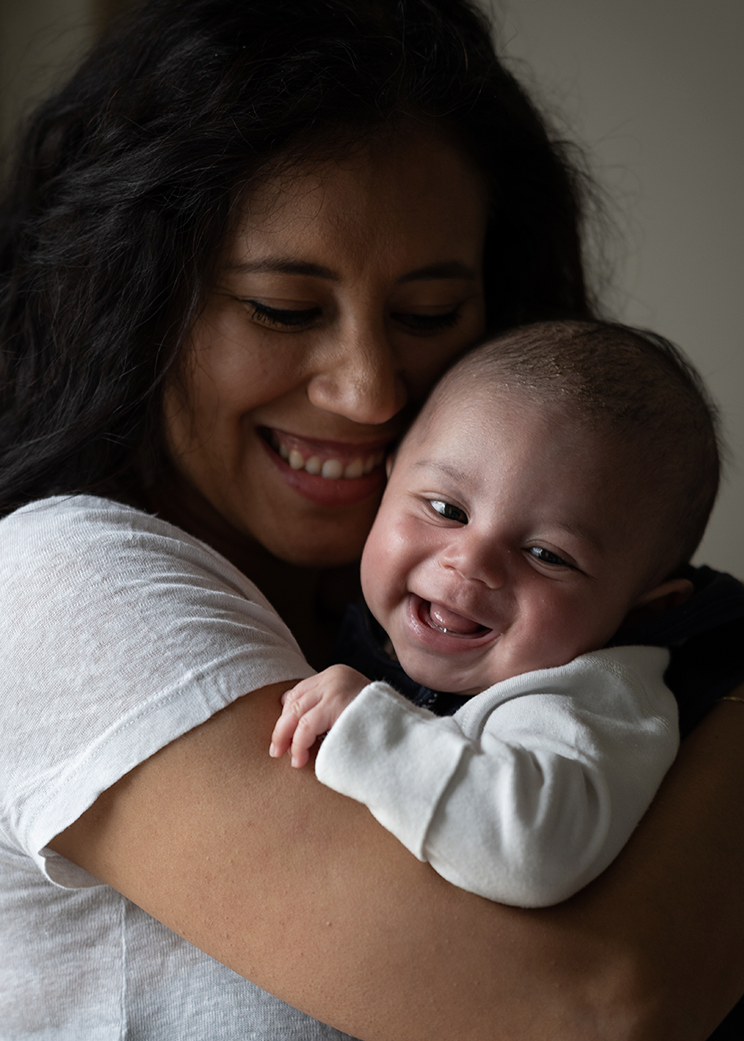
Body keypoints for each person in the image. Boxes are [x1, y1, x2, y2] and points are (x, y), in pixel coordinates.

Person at [1, 1, 744, 1039]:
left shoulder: (451, 624)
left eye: (429, 315)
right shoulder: (61, 582)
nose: (370, 393)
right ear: (138, 303)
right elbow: (594, 1014)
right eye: (286, 309)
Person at [271, 319, 717, 907]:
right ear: (386, 484)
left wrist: (369, 729)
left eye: (546, 555)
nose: (472, 562)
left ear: (639, 613)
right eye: (445, 508)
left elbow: (533, 851)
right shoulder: (328, 606)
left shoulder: (593, 701)